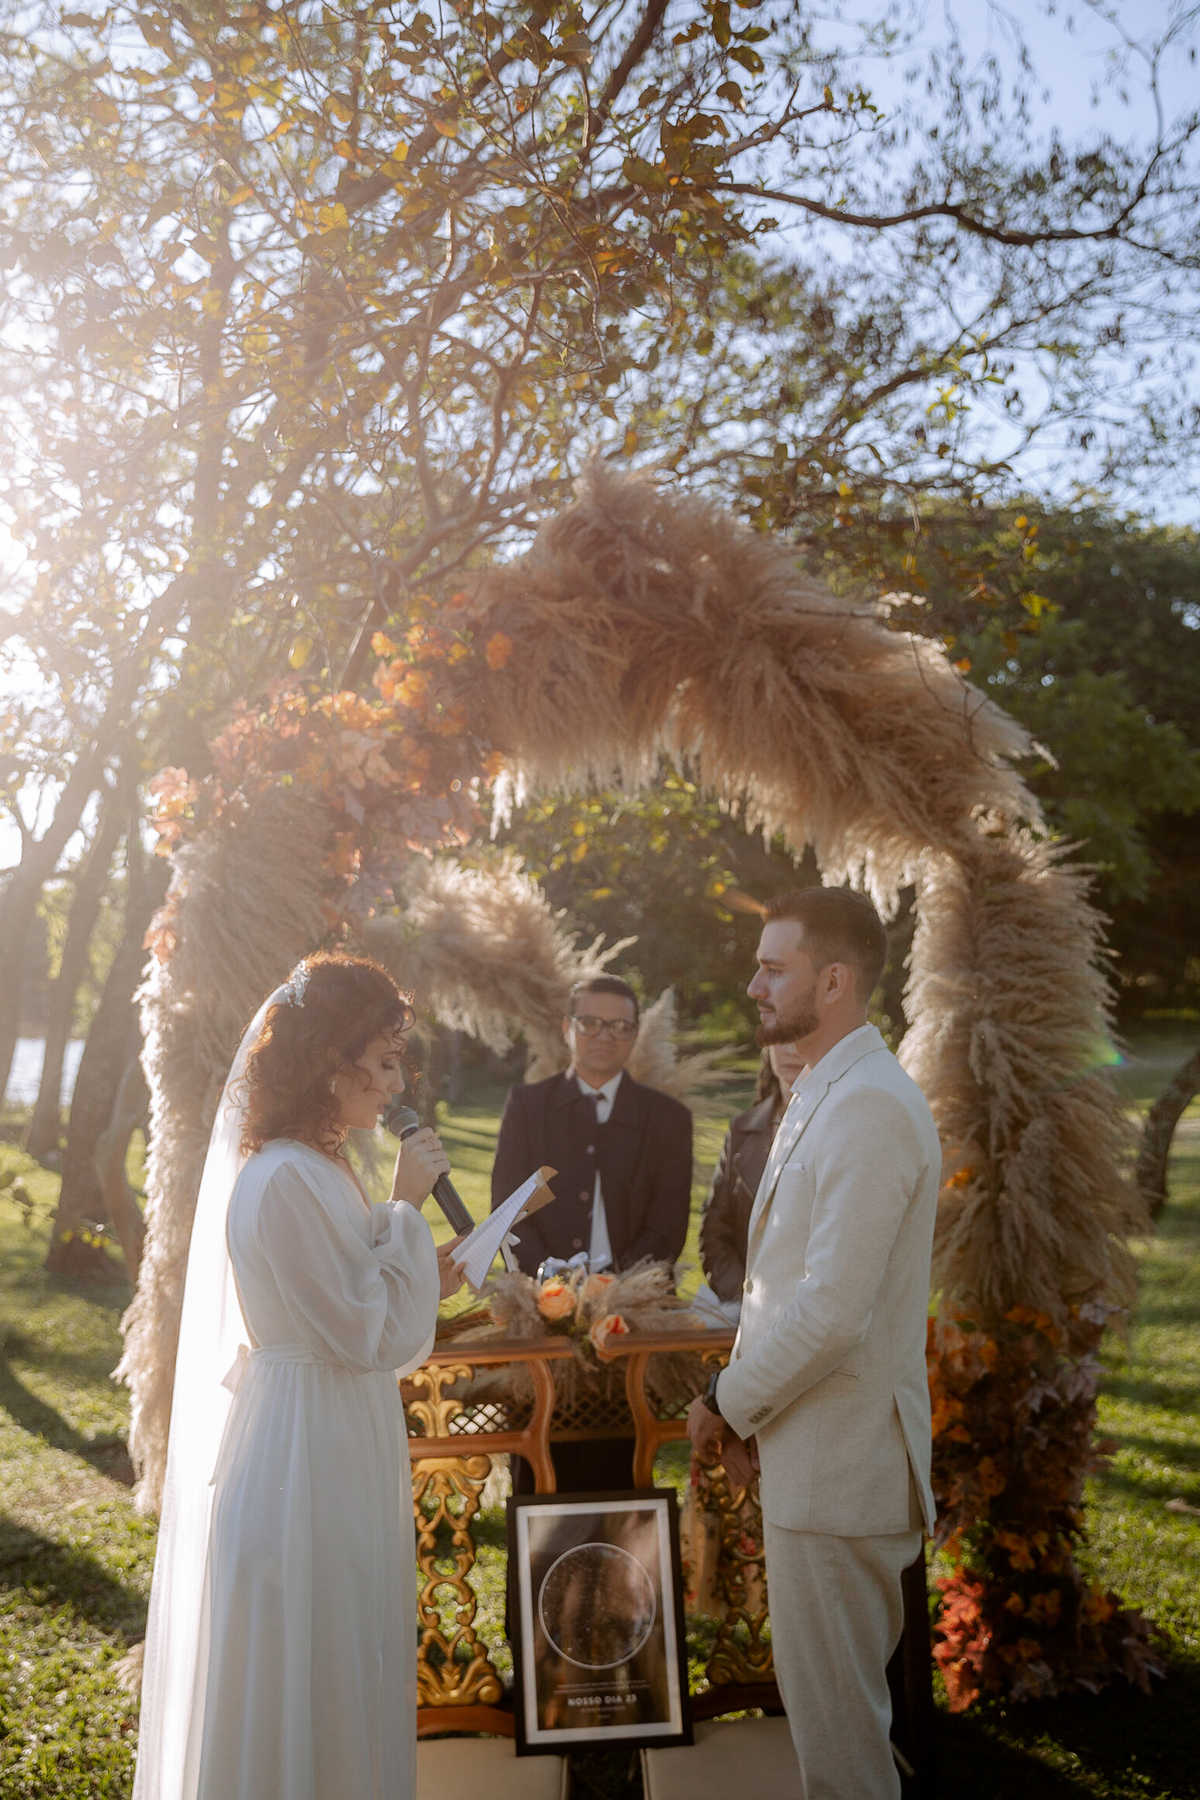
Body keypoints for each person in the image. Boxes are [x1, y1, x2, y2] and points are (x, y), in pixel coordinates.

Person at [134, 952, 466, 1800]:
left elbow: (353, 1298)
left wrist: (425, 1261)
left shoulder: (318, 1169)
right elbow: (361, 1331)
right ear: (329, 1059)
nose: (398, 1084)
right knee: (305, 1662)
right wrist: (405, 1205)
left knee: (340, 1653)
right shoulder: (284, 1177)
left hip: (334, 1428)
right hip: (303, 1448)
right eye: (386, 1060)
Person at [686, 888, 941, 1800]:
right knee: (829, 1728)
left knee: (844, 1760)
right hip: (812, 1459)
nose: (753, 983)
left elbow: (834, 1313)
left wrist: (725, 1402)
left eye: (772, 967)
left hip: (844, 1473)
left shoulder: (868, 1106)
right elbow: (780, 1286)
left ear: (833, 981)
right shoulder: (825, 1087)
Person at [491, 974, 693, 1490]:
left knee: (621, 1469)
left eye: (621, 1026)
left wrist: (612, 1295)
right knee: (540, 1471)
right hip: (539, 1314)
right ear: (568, 1028)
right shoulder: (527, 1106)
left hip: (630, 1324)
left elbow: (666, 1230)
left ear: (634, 1035)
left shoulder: (667, 1119)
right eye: (592, 1023)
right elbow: (507, 1215)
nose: (606, 1035)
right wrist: (550, 1282)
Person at [698, 1041, 806, 1318]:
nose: (791, 1050)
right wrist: (748, 1296)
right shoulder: (741, 1130)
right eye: (782, 1038)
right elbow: (714, 1234)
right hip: (747, 1311)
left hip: (810, 1314)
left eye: (801, 1036)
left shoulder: (837, 1125)